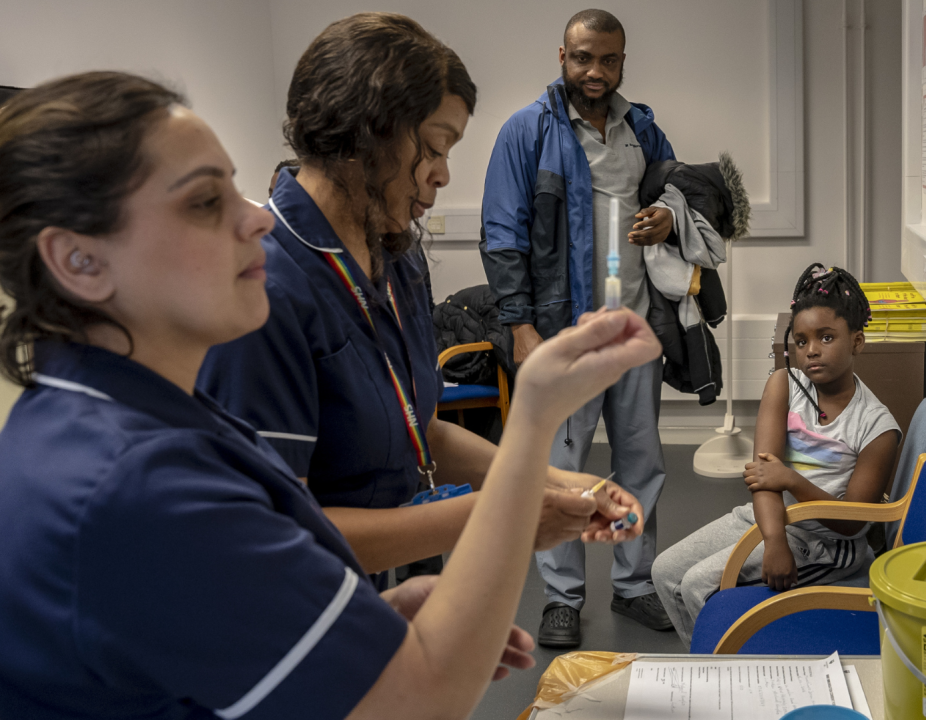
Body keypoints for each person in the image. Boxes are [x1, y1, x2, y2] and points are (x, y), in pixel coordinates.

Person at [0, 70, 664, 719]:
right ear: (78, 261)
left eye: (234, 188)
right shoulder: (134, 481)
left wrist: (353, 620)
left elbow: (224, 594)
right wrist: (534, 423)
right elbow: (420, 698)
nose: (256, 221)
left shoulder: (128, 415)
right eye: (204, 202)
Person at [198, 13, 645, 585]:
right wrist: (498, 513)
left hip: (377, 591)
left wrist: (560, 482)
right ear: (365, 133)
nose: (443, 176)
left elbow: (422, 432)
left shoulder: (397, 257)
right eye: (435, 148)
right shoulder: (261, 285)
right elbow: (272, 538)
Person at [480, 8, 677, 646]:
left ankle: (635, 584)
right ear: (561, 56)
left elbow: (680, 195)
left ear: (623, 61)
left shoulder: (641, 128)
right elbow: (502, 234)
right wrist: (519, 325)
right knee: (560, 466)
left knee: (640, 462)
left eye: (609, 60)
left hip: (636, 327)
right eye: (583, 57)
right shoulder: (527, 131)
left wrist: (668, 220)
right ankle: (562, 598)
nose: (595, 71)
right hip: (565, 331)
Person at [651, 264, 901, 647]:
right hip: (772, 519)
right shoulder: (784, 384)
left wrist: (792, 480)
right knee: (665, 572)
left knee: (698, 585)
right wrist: (774, 540)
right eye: (800, 342)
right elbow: (763, 477)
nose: (812, 351)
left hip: (828, 544)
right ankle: (708, 666)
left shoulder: (877, 426)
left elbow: (852, 523)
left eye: (826, 337)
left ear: (857, 341)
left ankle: (725, 679)